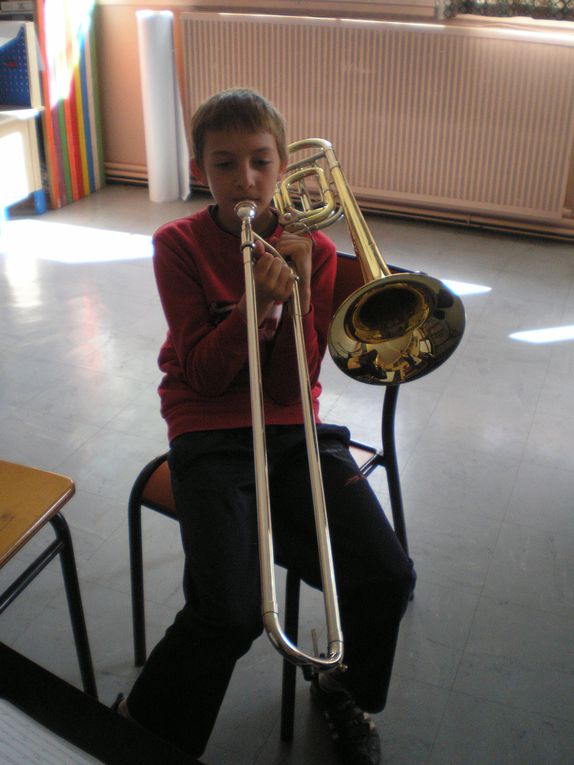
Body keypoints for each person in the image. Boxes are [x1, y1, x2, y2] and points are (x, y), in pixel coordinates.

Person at [116, 88, 415, 765]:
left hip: (288, 428)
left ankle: (343, 687)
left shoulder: (310, 245)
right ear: (201, 171)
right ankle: (140, 727)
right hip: (209, 430)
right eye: (224, 164)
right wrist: (253, 303)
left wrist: (305, 289)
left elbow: (290, 386)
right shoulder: (178, 246)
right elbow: (205, 375)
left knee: (386, 574)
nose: (244, 179)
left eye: (259, 161)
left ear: (283, 167)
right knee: (226, 613)